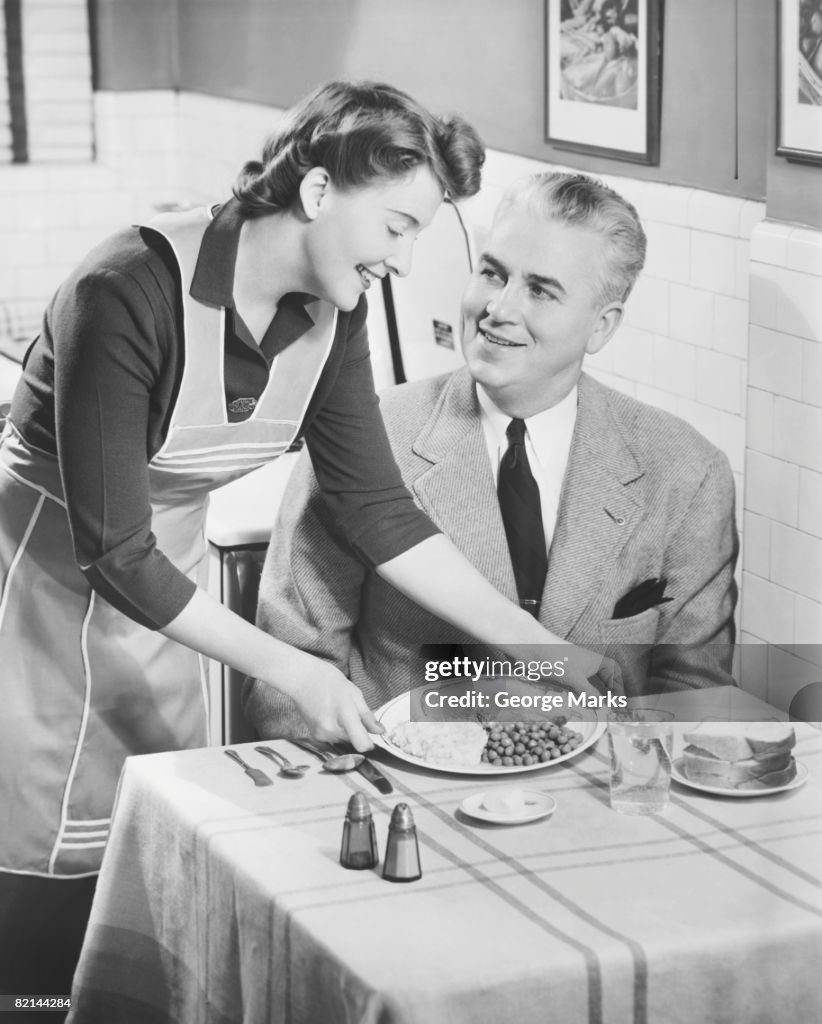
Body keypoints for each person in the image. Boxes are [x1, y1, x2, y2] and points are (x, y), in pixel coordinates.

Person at [0, 84, 602, 1003]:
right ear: (319, 193)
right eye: (395, 227)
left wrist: (540, 650)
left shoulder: (335, 313)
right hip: (33, 622)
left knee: (154, 877)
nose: (402, 262)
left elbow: (379, 513)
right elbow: (113, 551)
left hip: (169, 619)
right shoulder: (123, 291)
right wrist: (298, 669)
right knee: (39, 909)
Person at [244, 171, 739, 741]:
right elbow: (288, 678)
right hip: (399, 797)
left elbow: (696, 703)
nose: (498, 308)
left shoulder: (687, 473)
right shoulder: (361, 440)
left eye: (541, 290)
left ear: (601, 327)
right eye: (491, 273)